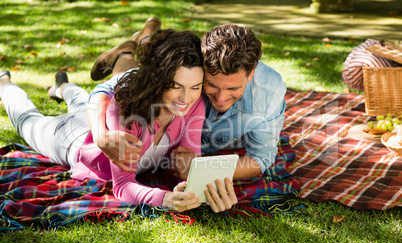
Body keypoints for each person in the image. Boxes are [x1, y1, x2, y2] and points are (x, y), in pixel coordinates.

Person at [0, 29, 237, 213]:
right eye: (176, 86)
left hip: (93, 117)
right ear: (158, 79)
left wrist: (195, 186)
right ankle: (5, 84)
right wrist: (166, 199)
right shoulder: (128, 107)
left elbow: (188, 162)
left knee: (83, 103)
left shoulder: (196, 103)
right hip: (71, 138)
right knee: (28, 121)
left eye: (195, 87)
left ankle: (62, 86)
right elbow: (122, 186)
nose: (186, 98)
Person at [89, 23, 287, 184]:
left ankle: (134, 45)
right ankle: (129, 50)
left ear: (251, 74)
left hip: (172, 148)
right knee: (127, 77)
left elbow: (261, 158)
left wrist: (201, 169)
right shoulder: (193, 65)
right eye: (211, 86)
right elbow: (105, 90)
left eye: (233, 89)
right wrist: (101, 135)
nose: (220, 98)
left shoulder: (269, 92)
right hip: (155, 135)